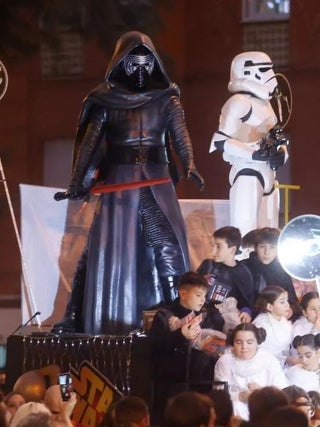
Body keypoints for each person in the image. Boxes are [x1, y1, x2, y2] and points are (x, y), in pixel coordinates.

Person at [53, 30, 205, 335]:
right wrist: (77, 182)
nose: (139, 71)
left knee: (167, 249)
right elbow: (91, 146)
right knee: (99, 250)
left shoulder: (167, 99)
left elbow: (180, 136)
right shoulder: (105, 101)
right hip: (119, 183)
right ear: (120, 63)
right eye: (132, 63)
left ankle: (179, 317)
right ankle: (74, 315)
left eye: (145, 64)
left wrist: (189, 164)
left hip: (155, 180)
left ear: (155, 65)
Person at [209, 51, 289, 239]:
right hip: (248, 172)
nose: (270, 74)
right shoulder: (238, 103)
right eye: (264, 69)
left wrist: (282, 153)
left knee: (270, 238)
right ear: (247, 72)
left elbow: (278, 137)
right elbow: (220, 141)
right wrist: (253, 155)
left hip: (269, 173)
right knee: (245, 235)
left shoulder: (266, 104)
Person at [149, 272, 225, 421]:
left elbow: (215, 343)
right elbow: (157, 347)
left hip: (201, 383)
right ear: (183, 293)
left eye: (204, 296)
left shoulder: (206, 316)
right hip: (172, 386)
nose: (202, 300)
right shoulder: (164, 315)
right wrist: (181, 335)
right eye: (198, 295)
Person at [214, 323, 289, 420]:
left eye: (249, 342)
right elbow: (219, 394)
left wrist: (262, 392)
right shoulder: (225, 361)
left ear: (257, 342)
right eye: (239, 342)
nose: (244, 347)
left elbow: (282, 391)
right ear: (233, 343)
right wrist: (240, 396)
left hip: (265, 407)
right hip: (236, 408)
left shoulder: (269, 360)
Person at [197, 226, 256, 322]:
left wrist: (246, 312)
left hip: (226, 321)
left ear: (232, 250)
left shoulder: (242, 272)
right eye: (213, 246)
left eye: (218, 247)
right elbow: (191, 289)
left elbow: (246, 301)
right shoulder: (208, 266)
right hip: (200, 318)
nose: (213, 252)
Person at [286, 334, 320, 417]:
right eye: (300, 356)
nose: (304, 360)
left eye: (308, 355)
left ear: (318, 351)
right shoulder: (292, 371)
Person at [241, 228, 298, 306]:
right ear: (255, 247)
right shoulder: (243, 267)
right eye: (262, 246)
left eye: (272, 247)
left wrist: (290, 310)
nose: (266, 252)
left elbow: (292, 300)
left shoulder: (282, 271)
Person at [253, 286, 294, 366]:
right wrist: (286, 358)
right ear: (270, 307)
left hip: (283, 364)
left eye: (287, 301)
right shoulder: (261, 324)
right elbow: (261, 352)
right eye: (282, 302)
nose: (287, 305)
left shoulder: (283, 320)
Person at [291, 292, 320, 363]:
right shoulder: (298, 327)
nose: (318, 312)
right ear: (304, 312)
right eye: (313, 309)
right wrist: (315, 330)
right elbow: (299, 354)